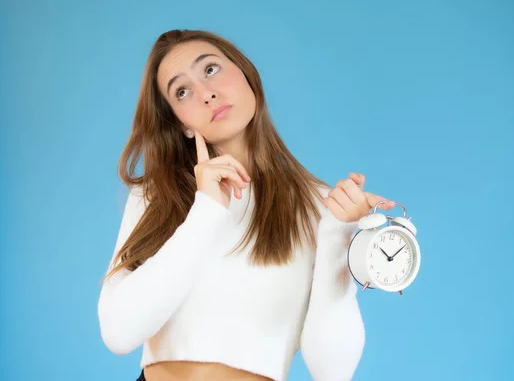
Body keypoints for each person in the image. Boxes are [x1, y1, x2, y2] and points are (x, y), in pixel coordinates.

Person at [97, 29, 395, 381]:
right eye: (182, 91)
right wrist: (206, 210)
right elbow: (118, 333)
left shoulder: (320, 207)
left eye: (210, 70)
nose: (206, 93)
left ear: (247, 74)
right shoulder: (155, 195)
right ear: (182, 124)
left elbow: (332, 372)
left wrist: (339, 234)